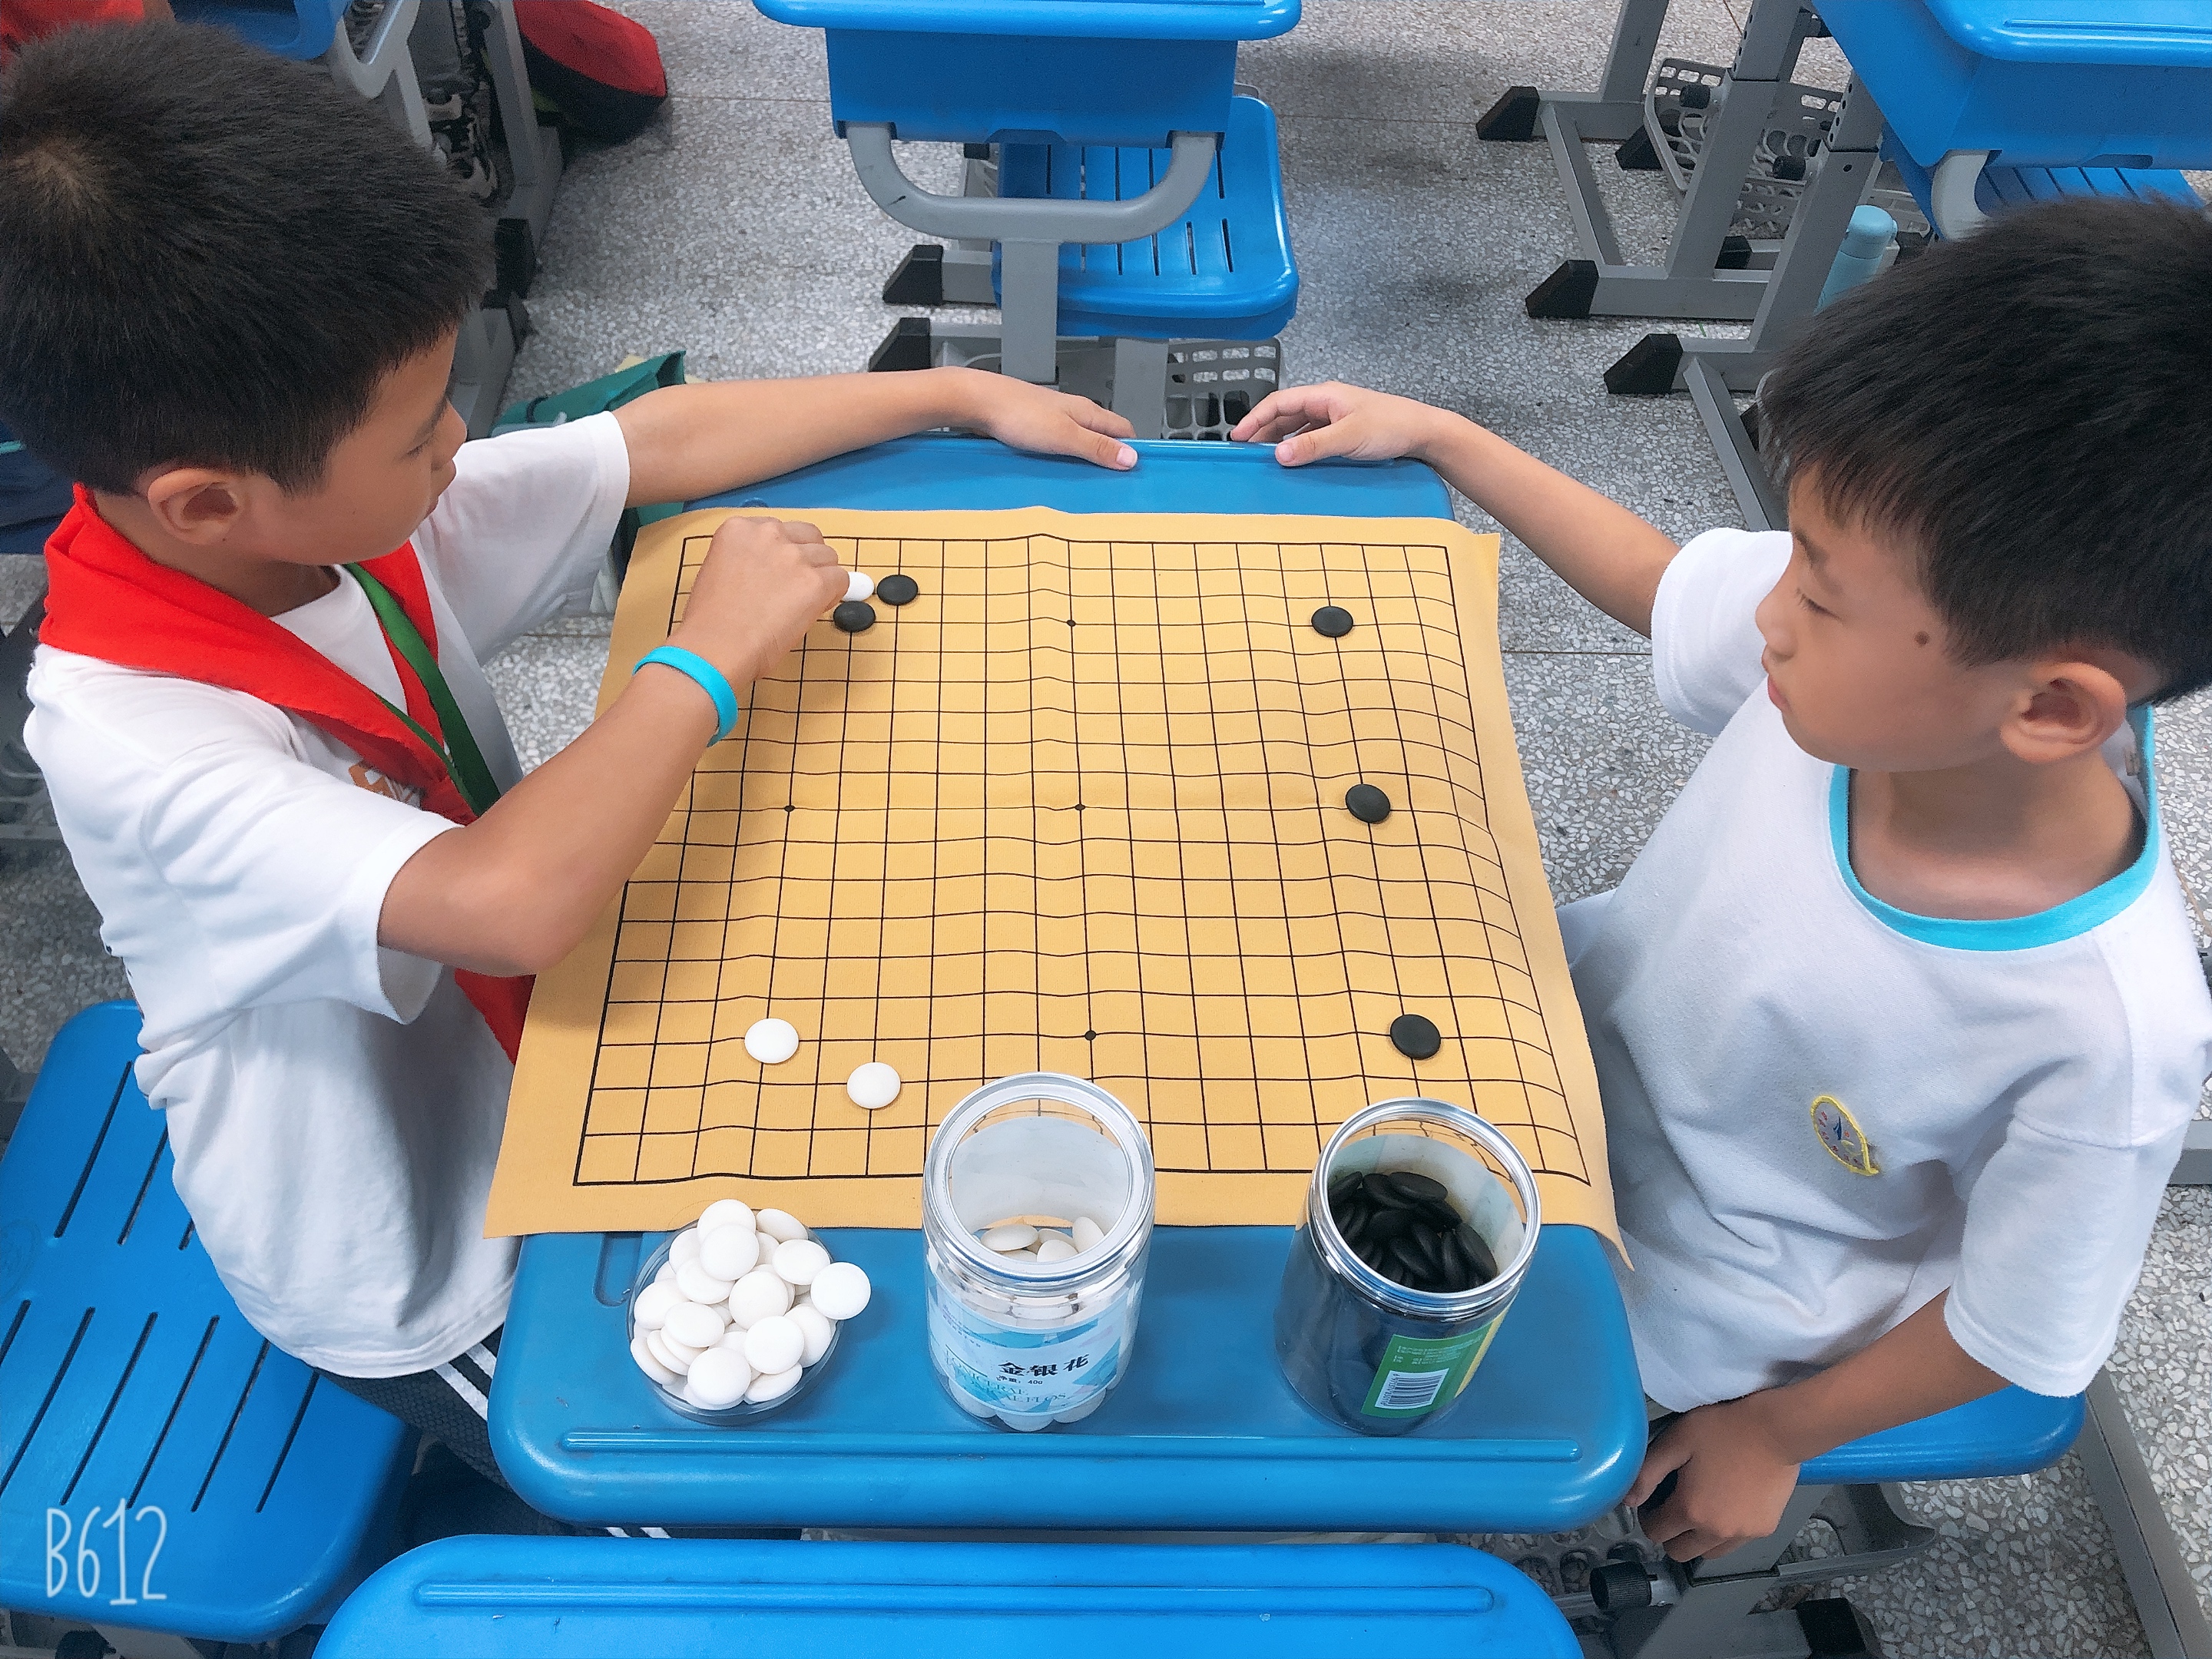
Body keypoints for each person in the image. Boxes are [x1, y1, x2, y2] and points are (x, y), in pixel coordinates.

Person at [0, 22, 1138, 1492]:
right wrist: (703, 658)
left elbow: (646, 444)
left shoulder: (319, 525)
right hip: (423, 1247)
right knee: (719, 1498)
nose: (457, 442)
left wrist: (953, 396)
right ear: (209, 502)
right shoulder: (132, 738)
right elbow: (508, 902)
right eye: (416, 435)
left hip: (564, 1065)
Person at [1229, 196, 2212, 1562]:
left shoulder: (2107, 1033)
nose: (1769, 614)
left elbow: (2019, 1330)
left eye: (1816, 591)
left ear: (2052, 708)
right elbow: (1659, 579)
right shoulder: (1889, 667)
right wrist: (1446, 436)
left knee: (1301, 1466)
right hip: (1541, 1061)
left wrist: (1776, 1433)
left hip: (1675, 1301)